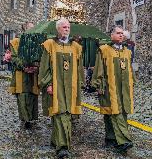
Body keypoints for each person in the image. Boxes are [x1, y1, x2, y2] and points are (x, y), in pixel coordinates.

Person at [38, 18, 84, 158]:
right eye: (64, 27)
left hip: (71, 88)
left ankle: (55, 140)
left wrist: (80, 84)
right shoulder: (49, 45)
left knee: (66, 114)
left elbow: (79, 68)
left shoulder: (76, 47)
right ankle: (63, 147)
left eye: (68, 27)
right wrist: (48, 84)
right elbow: (44, 67)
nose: (66, 29)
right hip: (56, 86)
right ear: (57, 29)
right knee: (61, 113)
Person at [92, 25, 134, 153]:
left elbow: (130, 70)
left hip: (124, 89)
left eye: (122, 33)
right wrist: (98, 84)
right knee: (114, 112)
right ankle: (124, 141)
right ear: (111, 35)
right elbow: (99, 68)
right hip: (109, 87)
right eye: (118, 33)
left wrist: (132, 82)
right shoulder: (104, 50)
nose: (121, 35)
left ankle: (111, 138)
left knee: (120, 112)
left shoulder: (127, 51)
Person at [6, 22, 39, 129]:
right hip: (21, 74)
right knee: (22, 96)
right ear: (24, 29)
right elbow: (14, 58)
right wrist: (24, 66)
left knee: (32, 96)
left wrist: (36, 66)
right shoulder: (15, 42)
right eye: (30, 28)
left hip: (33, 74)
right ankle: (25, 119)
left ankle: (31, 117)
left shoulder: (36, 43)